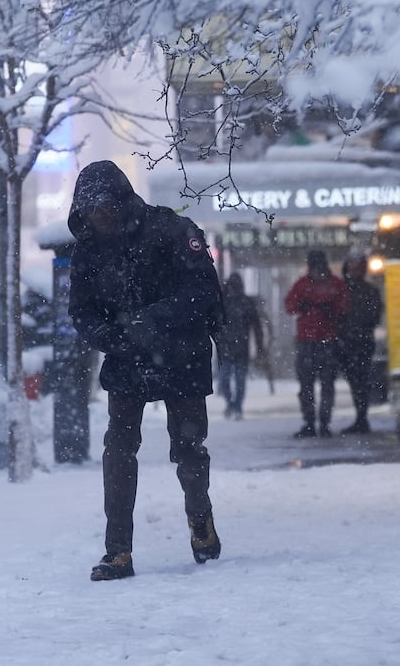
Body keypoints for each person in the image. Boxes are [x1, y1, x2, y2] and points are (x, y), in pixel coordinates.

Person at [67, 160, 225, 582]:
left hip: (182, 354)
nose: (98, 216)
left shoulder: (172, 230)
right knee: (118, 451)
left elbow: (204, 289)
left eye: (103, 206)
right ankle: (118, 551)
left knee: (189, 447)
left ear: (120, 199)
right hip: (127, 359)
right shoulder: (88, 249)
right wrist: (114, 338)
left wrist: (154, 319)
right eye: (89, 209)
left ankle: (200, 519)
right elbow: (80, 311)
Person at [284, 250, 349, 438]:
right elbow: (290, 305)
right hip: (309, 341)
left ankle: (322, 422)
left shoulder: (330, 284)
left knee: (324, 383)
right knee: (308, 385)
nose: (318, 271)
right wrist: (304, 306)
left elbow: (344, 307)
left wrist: (330, 310)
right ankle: (312, 422)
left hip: (325, 341)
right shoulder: (305, 285)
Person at [338, 251, 383, 435]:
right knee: (358, 381)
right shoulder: (348, 289)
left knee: (359, 381)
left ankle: (361, 418)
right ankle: (361, 417)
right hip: (353, 341)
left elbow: (373, 316)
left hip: (357, 341)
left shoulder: (362, 290)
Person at [217, 272, 264, 420]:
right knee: (230, 380)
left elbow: (256, 326)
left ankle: (235, 406)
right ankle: (233, 405)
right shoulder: (228, 302)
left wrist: (260, 345)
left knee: (236, 381)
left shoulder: (240, 302)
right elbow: (256, 327)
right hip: (231, 348)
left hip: (235, 348)